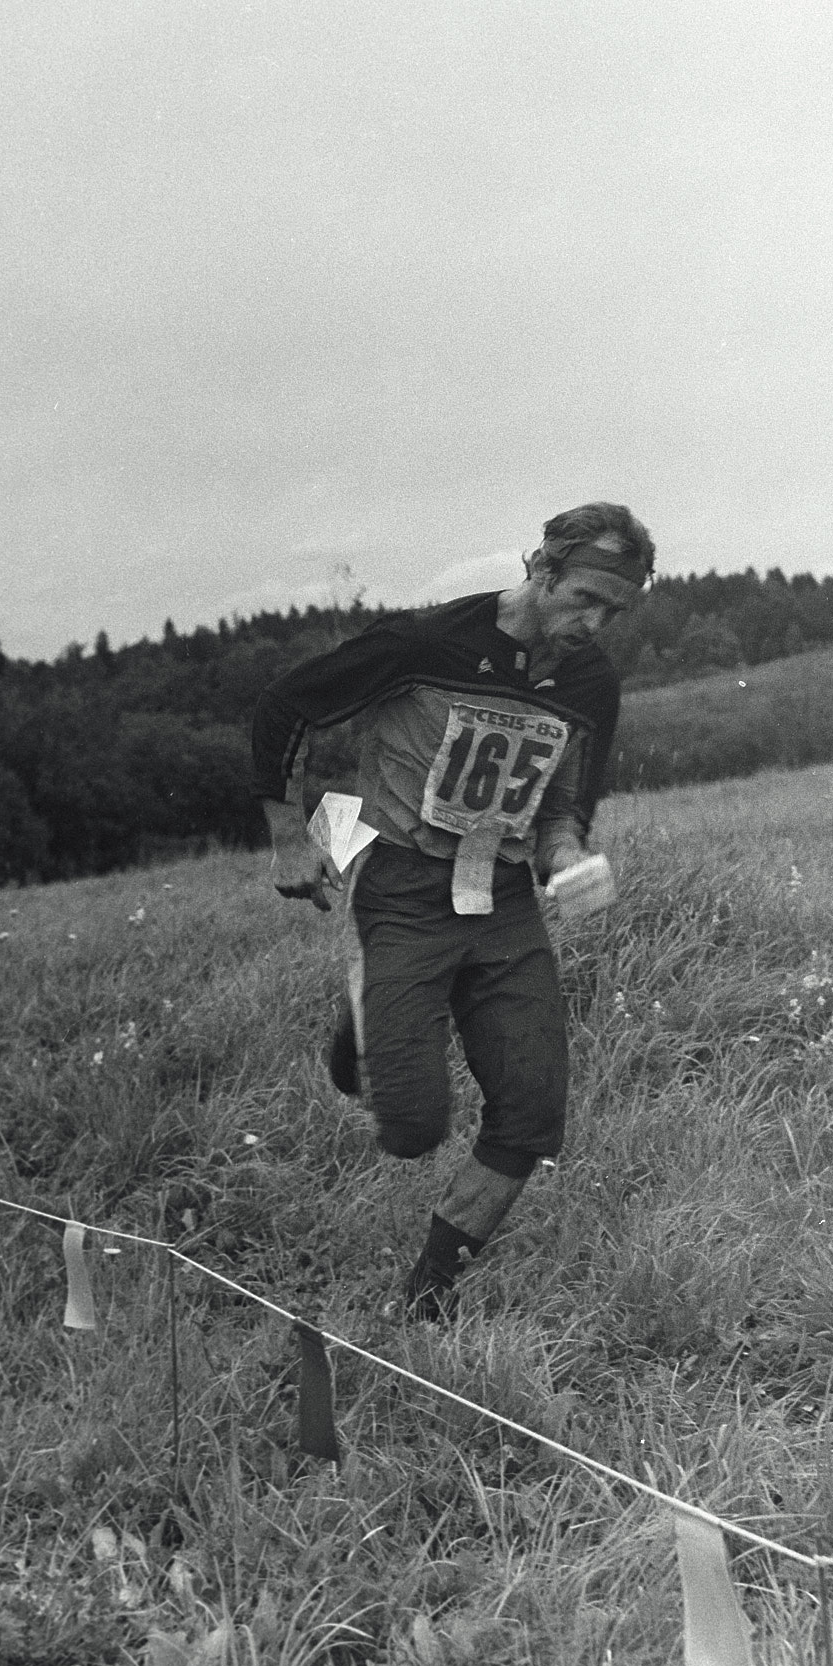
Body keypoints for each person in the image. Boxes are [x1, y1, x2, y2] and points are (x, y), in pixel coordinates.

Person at [251, 502, 654, 1317]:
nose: (595, 622)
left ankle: (424, 1301)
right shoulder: (424, 644)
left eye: (614, 609)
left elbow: (564, 807)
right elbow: (283, 708)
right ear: (539, 570)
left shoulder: (588, 684)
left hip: (503, 903)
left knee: (533, 1116)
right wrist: (286, 838)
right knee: (410, 1131)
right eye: (583, 598)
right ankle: (361, 1019)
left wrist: (569, 855)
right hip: (402, 889)